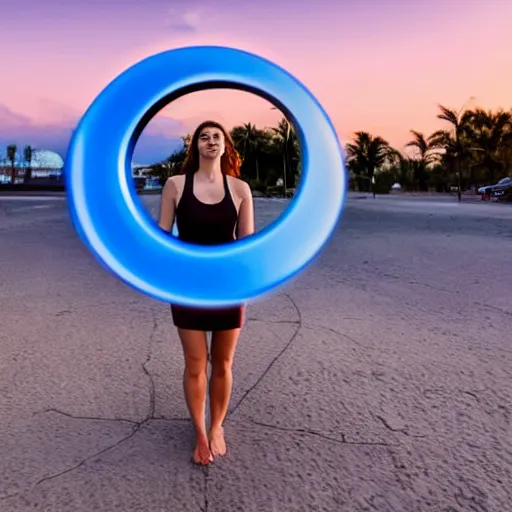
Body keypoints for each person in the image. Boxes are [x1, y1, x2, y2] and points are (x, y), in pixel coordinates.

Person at [158, 120, 254, 465]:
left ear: (226, 145)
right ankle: (200, 431)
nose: (211, 141)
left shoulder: (241, 189)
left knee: (224, 363)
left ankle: (218, 427)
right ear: (195, 145)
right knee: (196, 363)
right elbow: (162, 238)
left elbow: (246, 245)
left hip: (229, 287)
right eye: (204, 137)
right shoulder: (175, 185)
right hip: (187, 286)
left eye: (217, 137)